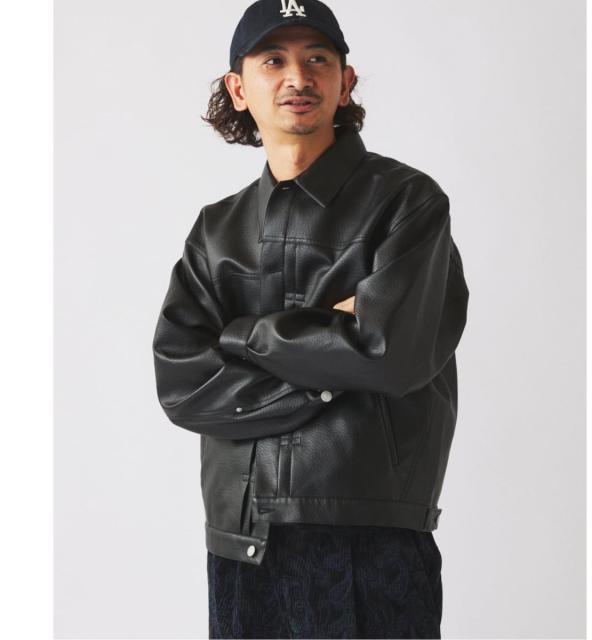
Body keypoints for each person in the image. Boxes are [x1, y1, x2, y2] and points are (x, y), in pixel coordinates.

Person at [152, 0, 470, 637]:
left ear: (344, 82)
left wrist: (241, 335)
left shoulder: (407, 203)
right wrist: (330, 346)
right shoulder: (216, 230)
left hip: (371, 534)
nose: (298, 77)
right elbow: (182, 384)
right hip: (242, 540)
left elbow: (389, 352)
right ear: (238, 89)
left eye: (317, 59)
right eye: (274, 60)